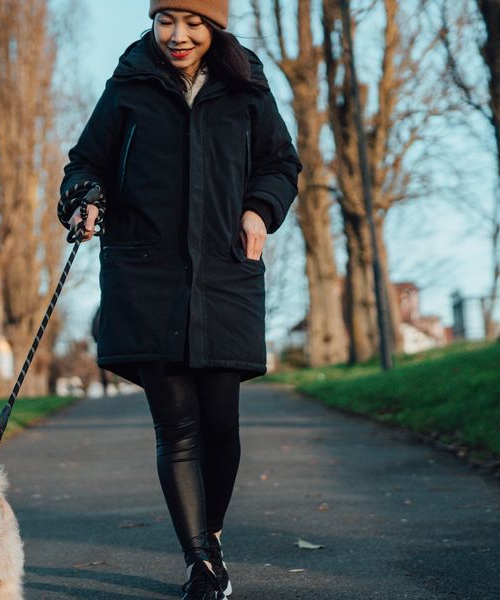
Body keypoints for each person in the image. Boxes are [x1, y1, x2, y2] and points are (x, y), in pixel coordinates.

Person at [57, 2, 301, 598]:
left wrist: (258, 209)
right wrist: (86, 198)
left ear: (213, 25)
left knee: (221, 420)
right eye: (166, 20)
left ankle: (210, 533)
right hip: (147, 276)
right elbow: (84, 163)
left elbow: (280, 164)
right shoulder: (128, 86)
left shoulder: (247, 87)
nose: (178, 35)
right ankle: (201, 563)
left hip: (224, 270)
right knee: (178, 427)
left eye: (192, 22)